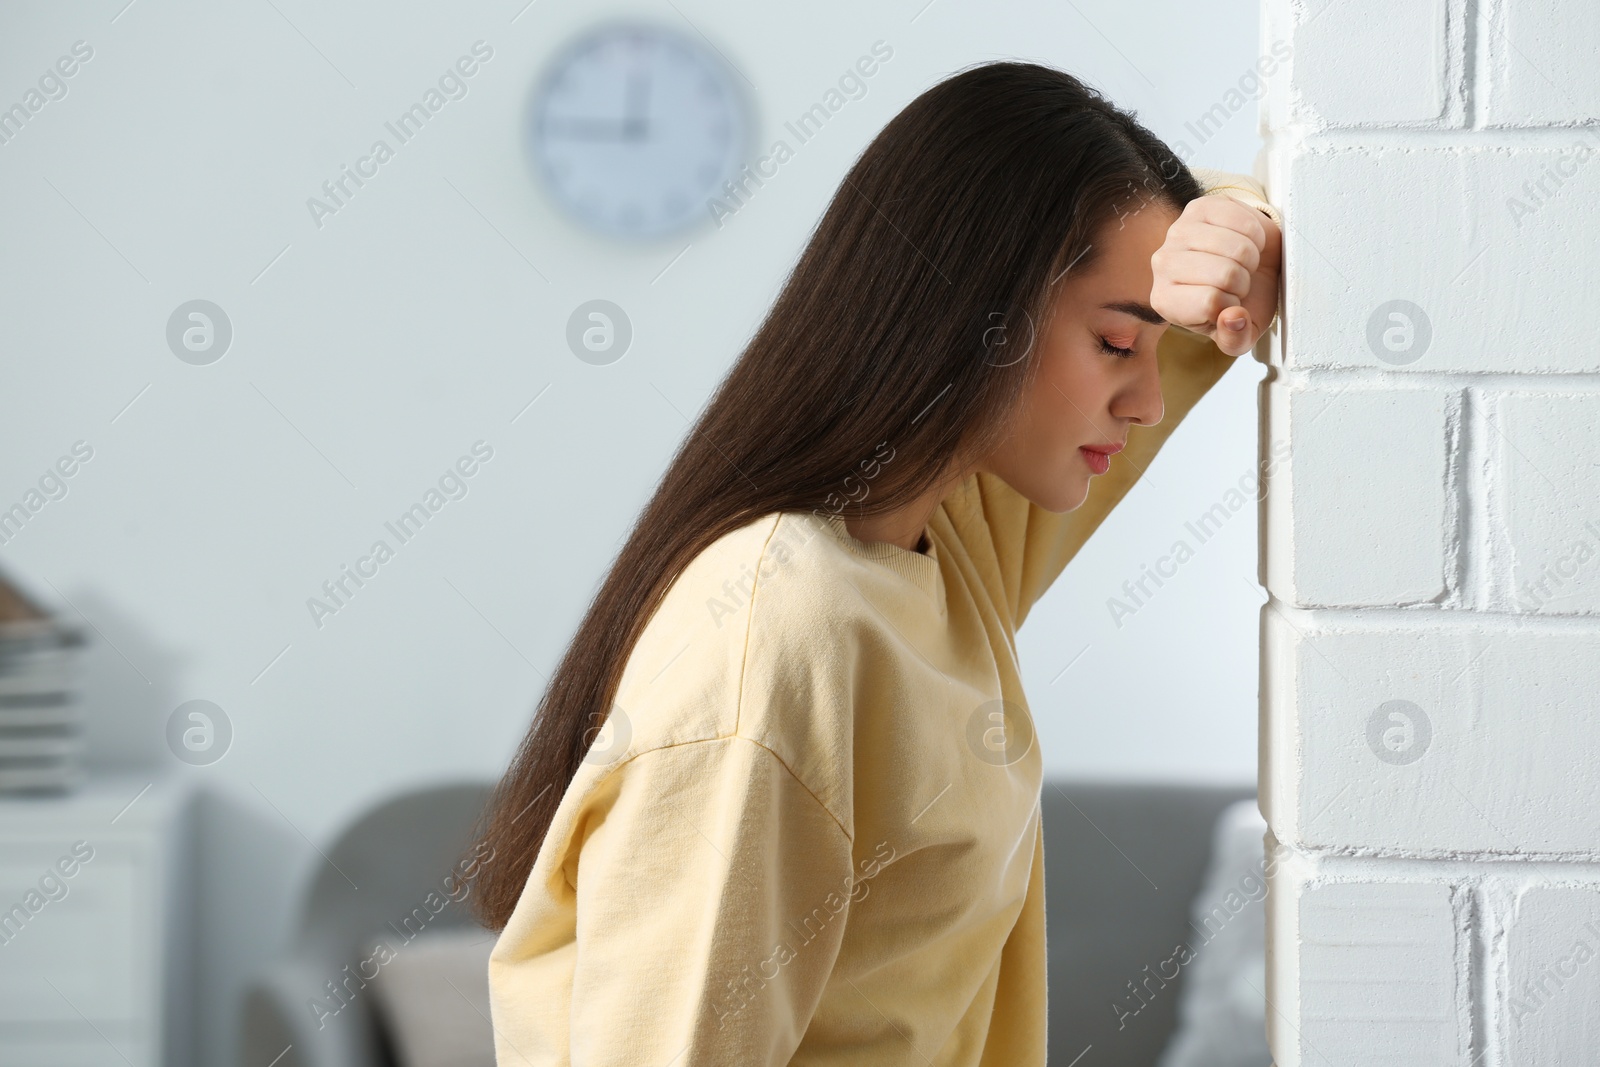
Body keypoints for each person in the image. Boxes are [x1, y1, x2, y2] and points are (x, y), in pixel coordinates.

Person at [469, 59, 1283, 1065]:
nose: (1147, 400)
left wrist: (1233, 223)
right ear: (979, 310)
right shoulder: (786, 629)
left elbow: (1218, 287)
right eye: (1117, 343)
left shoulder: (939, 545)